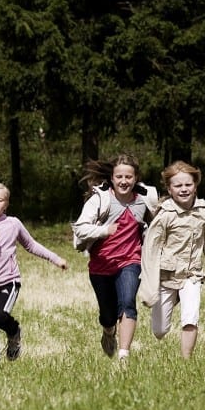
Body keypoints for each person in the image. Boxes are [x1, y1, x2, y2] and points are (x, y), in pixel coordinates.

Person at [138, 161, 205, 358]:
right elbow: (151, 249)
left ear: (195, 186)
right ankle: (172, 299)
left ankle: (186, 360)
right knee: (160, 331)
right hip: (166, 277)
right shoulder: (165, 216)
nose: (183, 189)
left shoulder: (203, 214)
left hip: (192, 275)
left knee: (190, 318)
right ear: (169, 189)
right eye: (178, 186)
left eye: (188, 185)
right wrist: (148, 287)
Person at [0, 183, 68, 366]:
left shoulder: (13, 224)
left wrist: (55, 258)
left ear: (6, 204)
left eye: (0, 200)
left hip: (8, 282)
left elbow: (32, 245)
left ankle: (14, 331)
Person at [71, 154, 159, 361]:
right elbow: (80, 229)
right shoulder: (100, 200)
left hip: (131, 261)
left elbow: (158, 223)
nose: (123, 181)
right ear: (111, 178)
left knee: (128, 303)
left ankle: (123, 356)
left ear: (136, 178)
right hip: (101, 265)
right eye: (119, 176)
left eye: (128, 177)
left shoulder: (145, 199)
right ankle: (108, 332)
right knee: (108, 316)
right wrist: (104, 230)